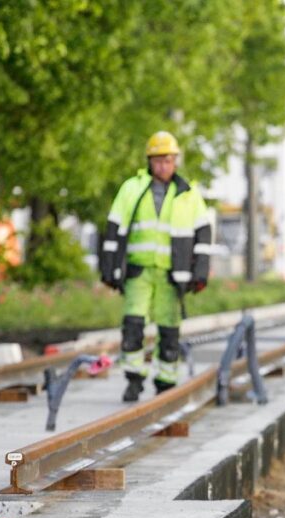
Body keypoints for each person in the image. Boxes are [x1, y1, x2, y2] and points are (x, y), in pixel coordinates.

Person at [99, 131, 214, 402]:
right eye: (158, 160)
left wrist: (199, 274)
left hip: (172, 275)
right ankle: (134, 378)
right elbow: (113, 228)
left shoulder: (188, 194)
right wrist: (109, 269)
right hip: (138, 271)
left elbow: (203, 235)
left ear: (175, 161)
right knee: (133, 324)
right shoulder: (132, 189)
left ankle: (165, 381)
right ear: (149, 161)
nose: (163, 166)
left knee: (169, 329)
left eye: (168, 160)